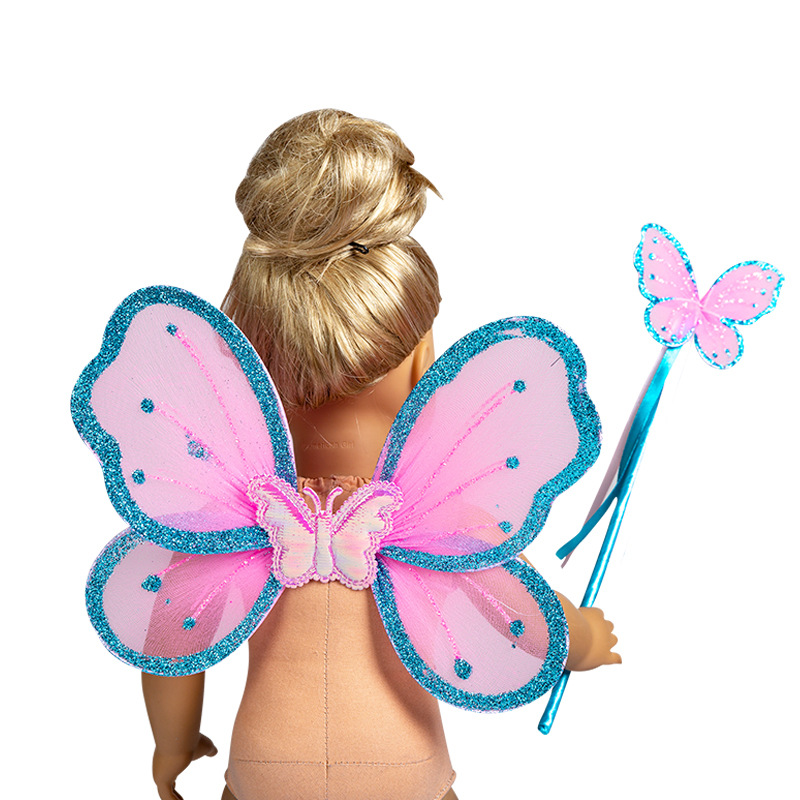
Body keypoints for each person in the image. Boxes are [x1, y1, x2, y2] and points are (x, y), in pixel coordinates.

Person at [137, 109, 621, 800]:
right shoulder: (434, 518)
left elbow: (171, 642)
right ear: (425, 362)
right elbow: (512, 603)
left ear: (244, 367)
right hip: (403, 767)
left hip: (265, 768)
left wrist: (174, 744)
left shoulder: (227, 519)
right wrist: (581, 640)